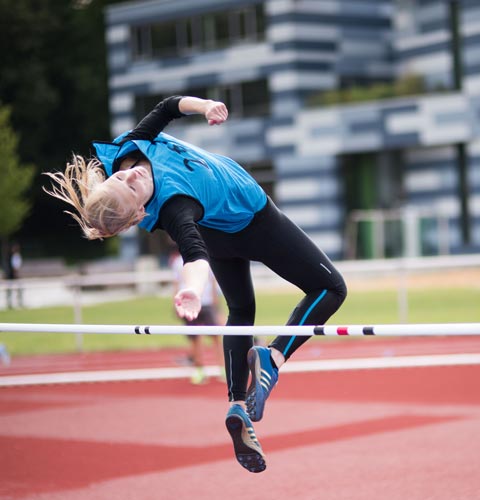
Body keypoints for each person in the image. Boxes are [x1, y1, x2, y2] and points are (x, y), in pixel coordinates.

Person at [43, 96, 347, 473]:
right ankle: (275, 356)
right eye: (132, 189)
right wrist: (191, 288)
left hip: (220, 228)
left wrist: (204, 107)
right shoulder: (174, 207)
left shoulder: (128, 149)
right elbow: (194, 254)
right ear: (140, 212)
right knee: (331, 288)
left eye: (122, 177)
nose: (132, 177)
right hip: (254, 219)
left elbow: (168, 107)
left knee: (240, 310)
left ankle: (238, 404)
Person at [169, 249, 225, 385]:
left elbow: (212, 281)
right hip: (187, 304)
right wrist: (175, 303)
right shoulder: (178, 262)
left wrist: (215, 303)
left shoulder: (206, 259)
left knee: (216, 337)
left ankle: (223, 369)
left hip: (206, 303)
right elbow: (176, 283)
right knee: (195, 339)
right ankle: (199, 371)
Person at [4, 243, 23, 309]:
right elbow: (15, 267)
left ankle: (17, 303)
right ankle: (12, 304)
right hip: (13, 276)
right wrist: (16, 275)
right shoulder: (14, 256)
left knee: (16, 290)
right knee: (13, 290)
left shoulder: (13, 256)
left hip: (12, 276)